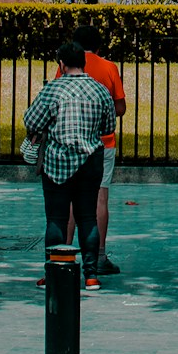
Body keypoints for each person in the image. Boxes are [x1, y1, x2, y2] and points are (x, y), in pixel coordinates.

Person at [23, 40, 117, 288]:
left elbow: (32, 121)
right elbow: (109, 127)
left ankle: (55, 271)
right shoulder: (99, 91)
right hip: (90, 161)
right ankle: (91, 275)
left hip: (57, 162)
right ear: (84, 63)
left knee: (56, 218)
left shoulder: (52, 90)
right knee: (87, 218)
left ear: (61, 64)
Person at [55, 23, 127, 274]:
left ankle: (62, 253)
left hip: (70, 141)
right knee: (100, 197)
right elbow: (119, 108)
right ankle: (98, 255)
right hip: (102, 143)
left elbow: (57, 97)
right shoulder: (109, 68)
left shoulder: (64, 68)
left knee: (70, 198)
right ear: (99, 45)